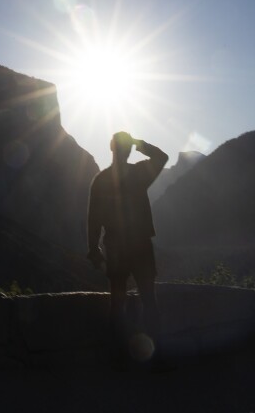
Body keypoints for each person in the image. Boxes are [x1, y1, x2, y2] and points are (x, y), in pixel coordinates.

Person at [87, 131, 169, 369]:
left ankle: (117, 356)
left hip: (117, 247)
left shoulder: (101, 180)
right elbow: (162, 157)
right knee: (145, 300)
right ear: (117, 148)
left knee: (119, 303)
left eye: (127, 146)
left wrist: (94, 249)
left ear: (111, 147)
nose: (126, 150)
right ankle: (155, 356)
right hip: (138, 245)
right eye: (125, 146)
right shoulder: (139, 174)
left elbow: (93, 220)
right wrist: (139, 144)